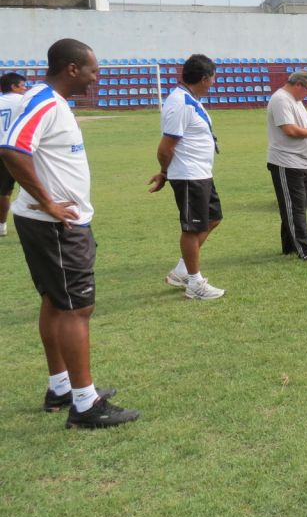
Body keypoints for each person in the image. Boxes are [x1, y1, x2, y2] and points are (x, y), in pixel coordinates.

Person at [0, 38, 139, 428]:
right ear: (72, 69)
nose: (97, 77)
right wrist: (47, 203)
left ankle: (61, 387)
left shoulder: (49, 101)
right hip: (56, 227)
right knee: (77, 309)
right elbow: (11, 150)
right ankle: (85, 404)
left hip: (53, 224)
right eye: (93, 70)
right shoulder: (44, 102)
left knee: (56, 302)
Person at [146, 54, 225, 301]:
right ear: (204, 78)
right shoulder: (180, 103)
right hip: (189, 176)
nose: (213, 83)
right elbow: (165, 148)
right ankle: (194, 283)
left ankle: (182, 271)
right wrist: (165, 173)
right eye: (212, 78)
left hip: (200, 173)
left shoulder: (190, 99)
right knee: (192, 228)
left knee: (213, 218)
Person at [267, 71, 307, 261]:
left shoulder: (295, 100)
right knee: (295, 209)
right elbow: (290, 130)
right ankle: (306, 251)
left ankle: (290, 247)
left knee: (295, 207)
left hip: (302, 161)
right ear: (298, 84)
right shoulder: (281, 99)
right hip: (287, 162)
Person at [0, 71, 28, 237]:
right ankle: (34, 228)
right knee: (32, 190)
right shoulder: (25, 101)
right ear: (14, 86)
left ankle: (1, 226)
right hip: (22, 150)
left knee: (3, 192)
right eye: (22, 85)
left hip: (2, 151)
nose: (25, 89)